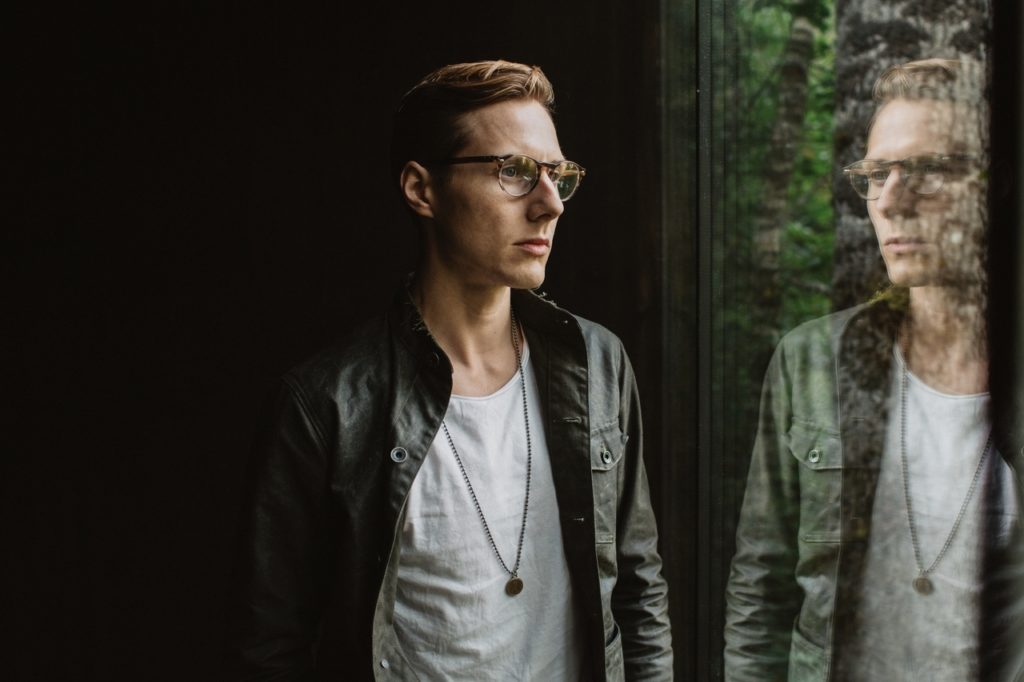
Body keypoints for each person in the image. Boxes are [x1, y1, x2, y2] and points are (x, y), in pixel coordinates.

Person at [227, 60, 673, 680]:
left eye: (558, 175)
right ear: (421, 189)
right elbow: (271, 643)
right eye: (514, 172)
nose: (549, 205)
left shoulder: (599, 363)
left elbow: (638, 591)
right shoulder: (326, 402)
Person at [724, 59, 1023, 681]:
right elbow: (763, 590)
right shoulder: (813, 362)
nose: (889, 200)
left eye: (928, 170)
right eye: (877, 174)